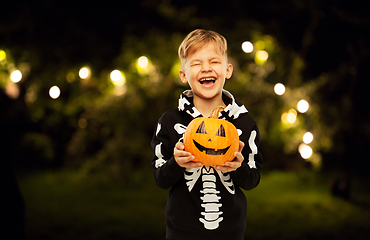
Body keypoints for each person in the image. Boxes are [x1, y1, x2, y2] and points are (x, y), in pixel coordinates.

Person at [151, 29, 262, 240]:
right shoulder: (169, 122)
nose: (206, 68)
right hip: (181, 232)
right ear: (183, 75)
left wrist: (238, 168)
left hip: (231, 231)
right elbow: (160, 179)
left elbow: (252, 180)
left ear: (228, 70)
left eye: (214, 62)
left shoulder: (245, 123)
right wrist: (176, 163)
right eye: (196, 63)